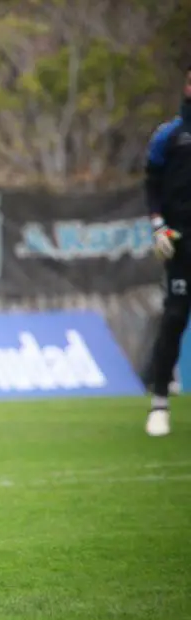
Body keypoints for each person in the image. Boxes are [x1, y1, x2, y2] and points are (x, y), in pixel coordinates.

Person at [144, 64, 191, 438]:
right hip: (181, 241)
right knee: (174, 319)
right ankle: (160, 403)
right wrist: (158, 226)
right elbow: (152, 183)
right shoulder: (170, 135)